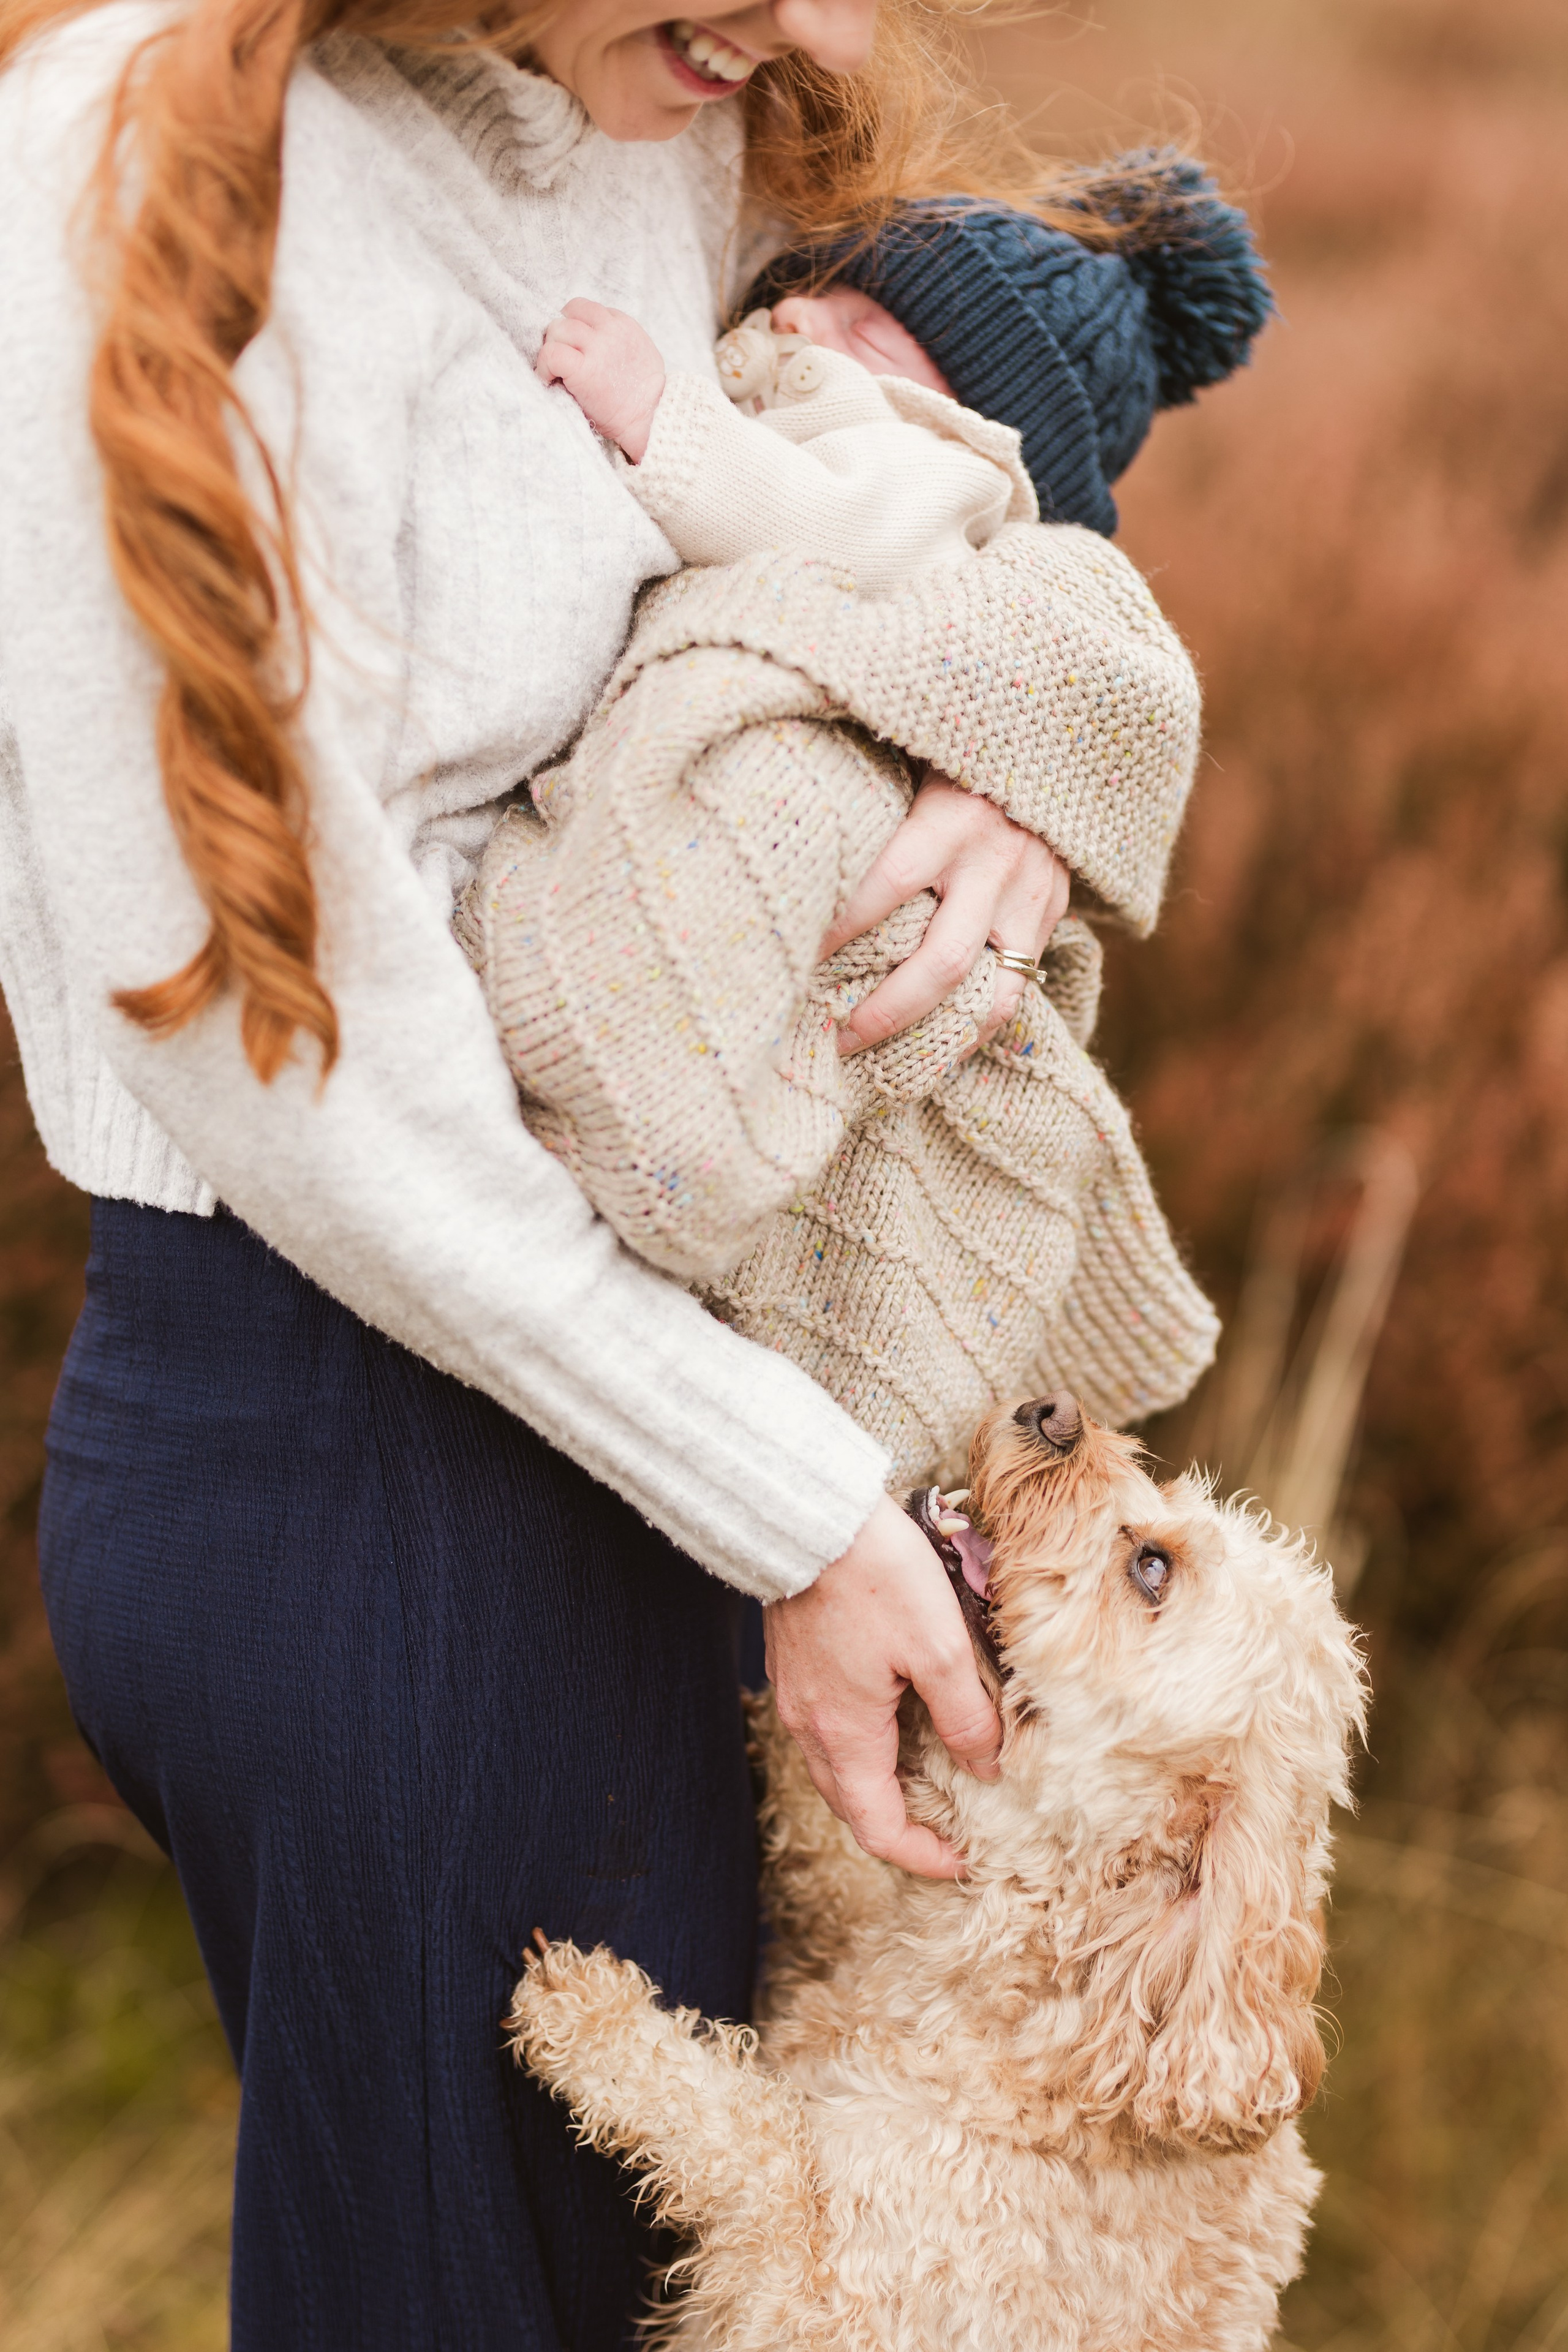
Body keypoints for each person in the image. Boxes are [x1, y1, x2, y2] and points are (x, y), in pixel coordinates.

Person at [0, 0, 1187, 2342]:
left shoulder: (650, 101)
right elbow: (263, 1033)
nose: (824, 32)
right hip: (357, 1459)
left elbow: (917, 479)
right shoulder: (148, 182)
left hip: (635, 1422)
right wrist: (796, 1505)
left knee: (664, 2292)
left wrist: (1014, 749)